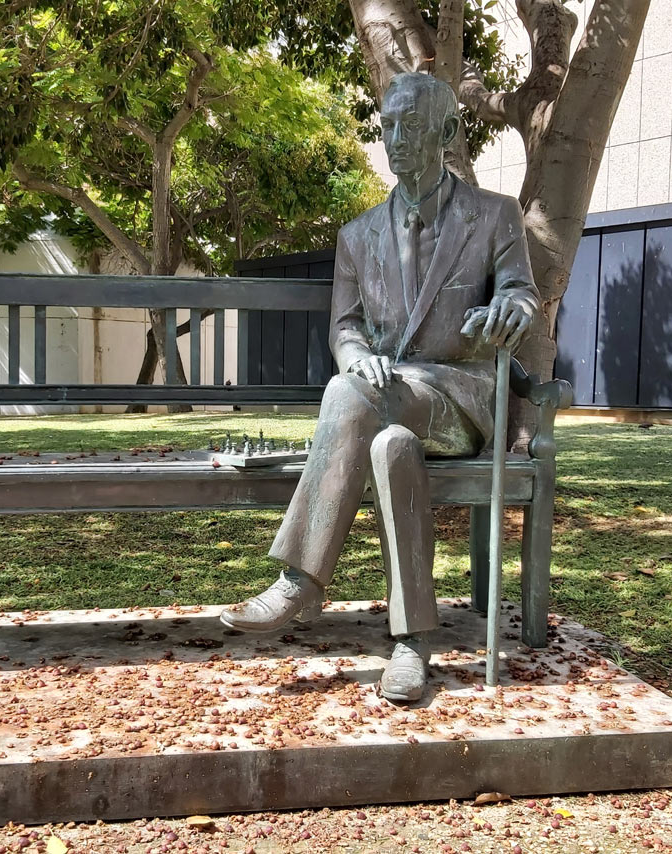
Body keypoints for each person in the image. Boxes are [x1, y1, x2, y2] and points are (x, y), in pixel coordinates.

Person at [220, 71, 540, 703]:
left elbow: (521, 293)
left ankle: (300, 581)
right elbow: (344, 329)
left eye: (411, 126)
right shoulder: (357, 235)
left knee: (347, 395)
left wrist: (510, 311)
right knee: (390, 444)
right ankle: (412, 642)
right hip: (390, 401)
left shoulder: (495, 216)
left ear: (448, 132)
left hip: (462, 399)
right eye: (388, 124)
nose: (394, 138)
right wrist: (359, 355)